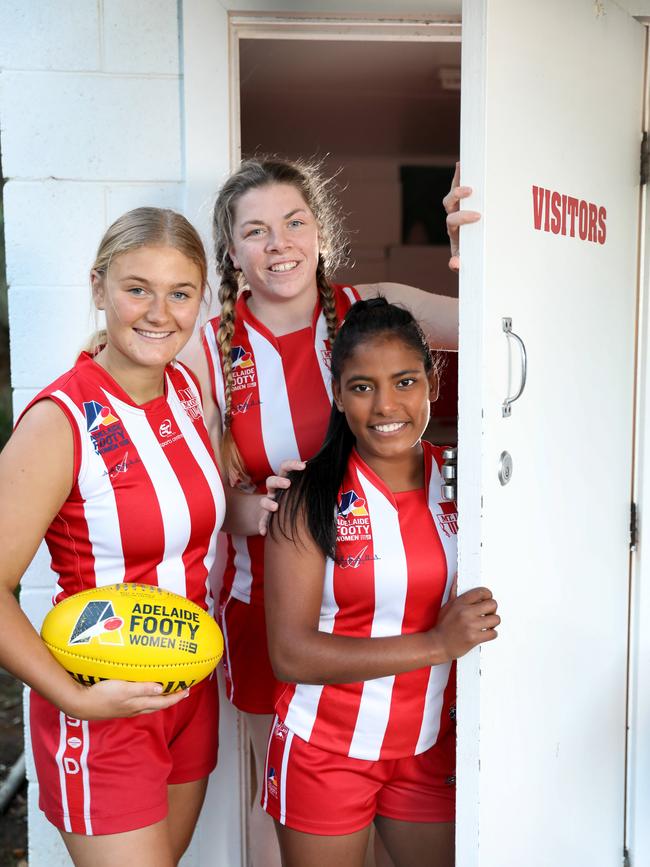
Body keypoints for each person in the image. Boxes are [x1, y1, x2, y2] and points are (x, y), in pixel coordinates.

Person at [181, 156, 478, 867]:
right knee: (286, 801)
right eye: (255, 231)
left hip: (393, 592)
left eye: (293, 222)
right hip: (271, 607)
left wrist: (476, 243)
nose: (278, 243)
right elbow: (175, 475)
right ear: (231, 250)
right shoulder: (206, 343)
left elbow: (496, 325)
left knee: (410, 784)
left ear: (320, 230)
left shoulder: (367, 305)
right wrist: (239, 509)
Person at [0, 208, 270, 867]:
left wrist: (282, 508)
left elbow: (183, 515)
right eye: (136, 288)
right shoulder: (60, 421)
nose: (158, 312)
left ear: (200, 299)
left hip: (186, 690)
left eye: (180, 293)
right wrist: (76, 699)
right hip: (99, 702)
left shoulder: (183, 388)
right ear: (99, 288)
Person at [262, 298, 499, 867]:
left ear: (433, 383)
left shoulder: (468, 482)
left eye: (405, 381)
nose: (386, 405)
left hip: (427, 747)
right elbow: (289, 654)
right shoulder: (309, 499)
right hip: (325, 750)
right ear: (339, 395)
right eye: (363, 387)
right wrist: (437, 645)